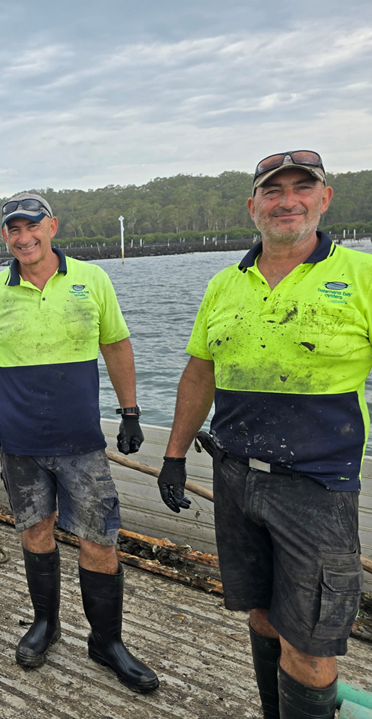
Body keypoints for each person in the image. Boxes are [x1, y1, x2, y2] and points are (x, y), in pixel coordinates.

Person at [157, 151, 372, 719]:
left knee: (311, 643)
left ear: (325, 200)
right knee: (260, 613)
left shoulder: (361, 276)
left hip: (318, 488)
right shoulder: (226, 284)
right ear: (253, 207)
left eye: (303, 188)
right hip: (236, 479)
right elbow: (200, 372)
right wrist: (174, 454)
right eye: (273, 192)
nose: (287, 201)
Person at [0, 192, 158, 693]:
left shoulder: (92, 279)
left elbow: (116, 343)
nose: (24, 237)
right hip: (20, 440)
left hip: (81, 440)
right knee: (35, 532)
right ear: (5, 237)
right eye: (14, 230)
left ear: (52, 226)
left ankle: (107, 642)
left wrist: (130, 412)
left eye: (32, 226)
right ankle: (47, 624)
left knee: (100, 540)